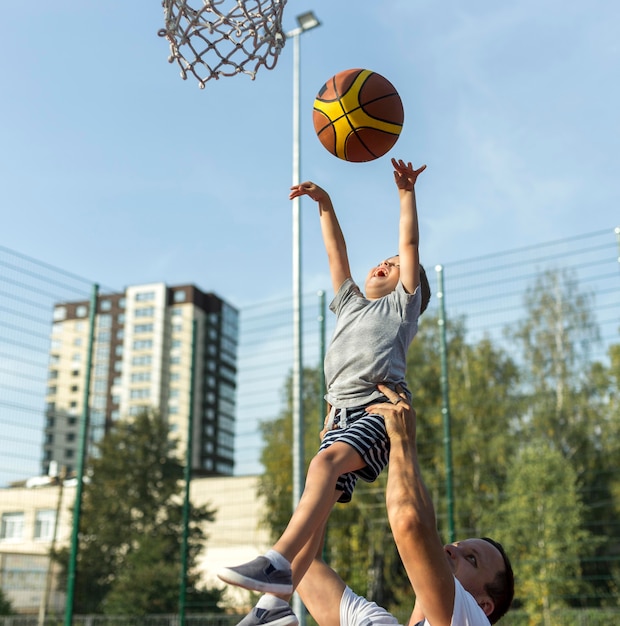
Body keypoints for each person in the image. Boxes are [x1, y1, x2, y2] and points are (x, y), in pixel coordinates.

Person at [218, 159, 431, 621]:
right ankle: (276, 604)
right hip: (339, 416)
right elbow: (338, 256)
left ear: (408, 286)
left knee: (324, 465)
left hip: (378, 409)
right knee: (318, 508)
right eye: (384, 261)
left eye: (394, 266)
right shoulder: (350, 304)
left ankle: (274, 562)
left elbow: (410, 243)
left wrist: (406, 194)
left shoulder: (401, 307)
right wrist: (326, 206)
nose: (386, 263)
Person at [241, 385, 515, 626]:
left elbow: (409, 523)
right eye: (457, 544)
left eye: (471, 559)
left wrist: (403, 442)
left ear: (482, 605)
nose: (451, 549)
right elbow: (305, 564)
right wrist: (335, 461)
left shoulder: (472, 621)